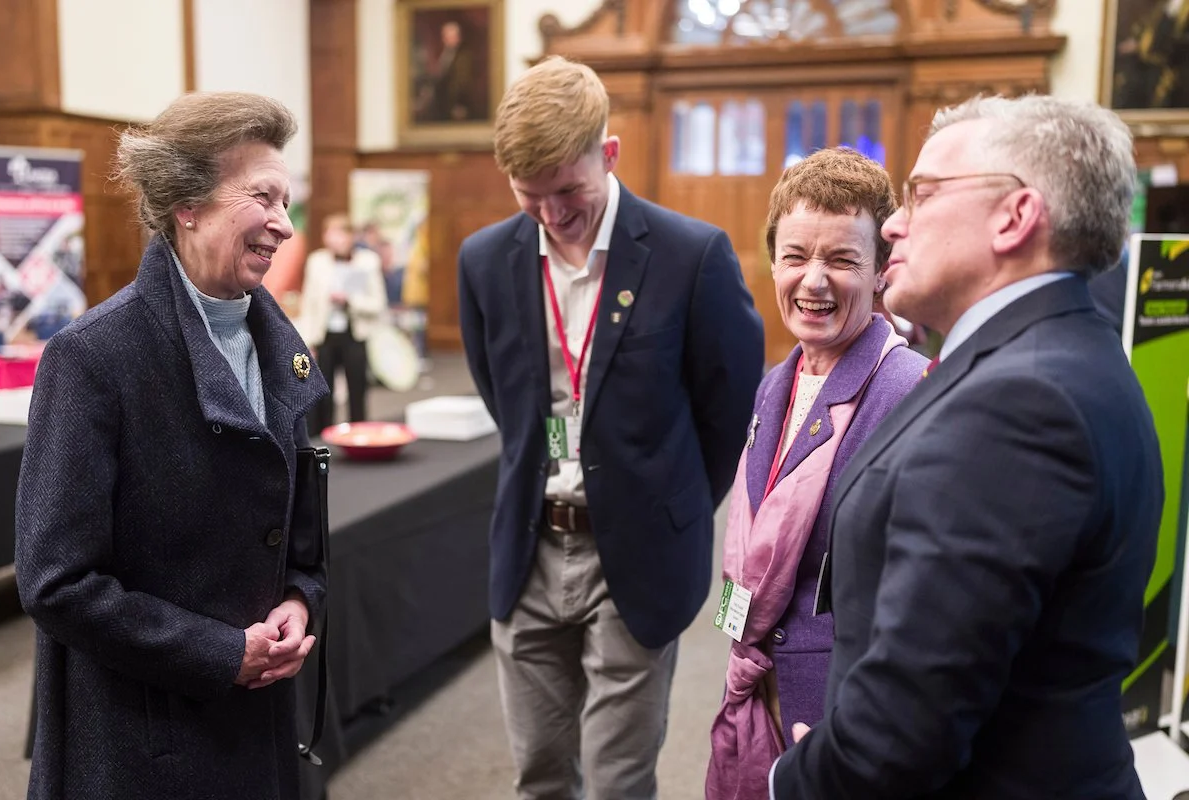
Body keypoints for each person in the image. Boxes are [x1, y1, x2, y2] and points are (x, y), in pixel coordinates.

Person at [771, 95, 1163, 799]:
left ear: (1015, 217)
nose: (894, 222)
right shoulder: (1051, 355)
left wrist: (794, 780)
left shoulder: (1023, 400)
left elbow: (908, 724)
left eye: (921, 194)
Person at [458, 56, 764, 799]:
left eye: (569, 191)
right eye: (531, 197)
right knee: (539, 773)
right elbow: (503, 397)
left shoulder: (691, 256)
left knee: (619, 781)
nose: (553, 214)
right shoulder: (485, 261)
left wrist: (669, 497)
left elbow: (728, 409)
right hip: (529, 544)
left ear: (610, 154)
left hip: (637, 550)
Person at [15, 91, 329, 800]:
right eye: (263, 197)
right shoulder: (95, 358)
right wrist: (221, 653)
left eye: (287, 200)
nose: (283, 224)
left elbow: (297, 541)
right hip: (145, 744)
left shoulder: (281, 347)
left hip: (260, 723)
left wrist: (300, 600)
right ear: (187, 204)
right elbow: (56, 580)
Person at [705, 148, 927, 799]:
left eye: (842, 260)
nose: (814, 280)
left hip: (838, 707)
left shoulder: (909, 389)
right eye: (797, 256)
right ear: (772, 261)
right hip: (756, 680)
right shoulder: (776, 384)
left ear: (882, 270)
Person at [299, 212, 388, 433]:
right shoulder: (317, 261)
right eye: (331, 234)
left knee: (358, 390)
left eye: (341, 234)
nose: (336, 240)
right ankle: (323, 439)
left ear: (350, 237)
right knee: (322, 392)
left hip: (354, 335)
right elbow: (308, 303)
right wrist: (307, 339)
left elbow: (378, 304)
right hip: (324, 335)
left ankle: (359, 436)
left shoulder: (368, 262)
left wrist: (350, 301)